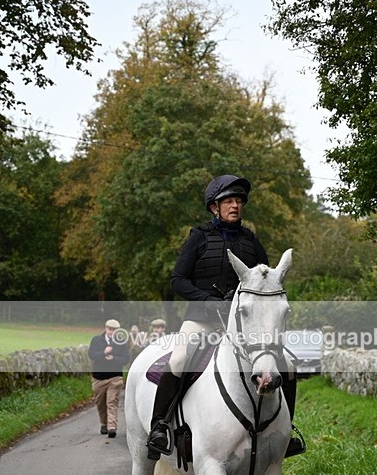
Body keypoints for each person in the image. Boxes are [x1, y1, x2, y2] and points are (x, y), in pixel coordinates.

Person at [146, 174, 304, 458]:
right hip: (202, 319)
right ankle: (159, 426)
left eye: (239, 201)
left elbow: (264, 283)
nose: (235, 205)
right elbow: (177, 280)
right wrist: (208, 301)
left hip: (243, 327)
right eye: (229, 201)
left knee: (288, 363)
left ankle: (287, 432)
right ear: (214, 207)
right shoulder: (199, 237)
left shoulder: (250, 241)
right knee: (180, 358)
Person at [88, 318, 130, 438]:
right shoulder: (96, 340)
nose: (112, 332)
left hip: (115, 377)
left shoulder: (121, 342)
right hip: (99, 378)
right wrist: (104, 353)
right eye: (110, 329)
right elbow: (92, 355)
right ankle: (104, 424)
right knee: (100, 403)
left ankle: (112, 427)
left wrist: (114, 358)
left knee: (112, 402)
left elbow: (126, 358)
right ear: (105, 328)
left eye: (115, 330)